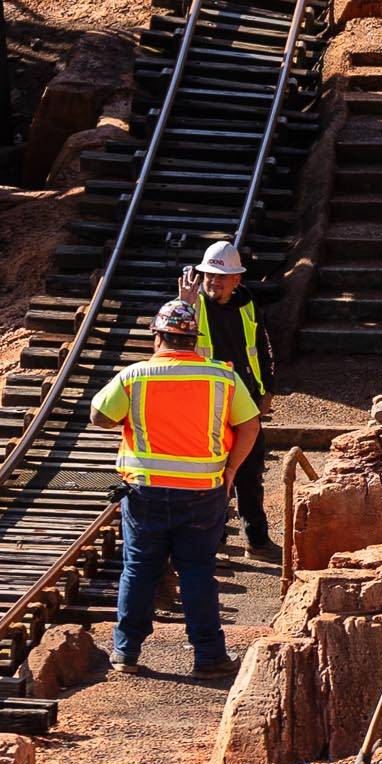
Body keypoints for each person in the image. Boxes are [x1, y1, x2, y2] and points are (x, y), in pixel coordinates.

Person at [88, 299, 255, 677]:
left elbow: (100, 418)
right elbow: (250, 426)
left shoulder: (135, 376)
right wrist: (230, 472)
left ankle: (126, 652)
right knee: (197, 571)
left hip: (145, 492)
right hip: (202, 493)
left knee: (139, 570)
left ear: (158, 337)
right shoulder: (223, 377)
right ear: (193, 340)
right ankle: (209, 657)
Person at [178, 234, 280, 556]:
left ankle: (257, 539)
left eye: (220, 277)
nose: (213, 282)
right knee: (213, 474)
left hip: (245, 398)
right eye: (209, 275)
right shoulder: (193, 305)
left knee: (251, 473)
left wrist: (267, 389)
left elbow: (261, 348)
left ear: (236, 279)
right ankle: (215, 542)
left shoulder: (248, 303)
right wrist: (185, 305)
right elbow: (175, 342)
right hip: (208, 403)